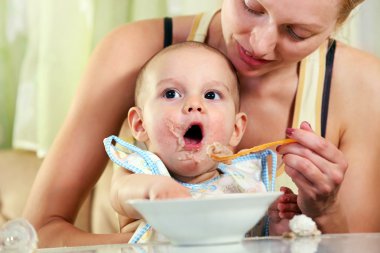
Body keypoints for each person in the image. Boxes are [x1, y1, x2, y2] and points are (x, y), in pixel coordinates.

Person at [24, 0, 380, 248]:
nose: (260, 44)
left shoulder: (364, 85)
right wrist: (154, 246)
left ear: (337, 26)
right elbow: (36, 235)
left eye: (297, 32)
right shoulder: (133, 51)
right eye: (252, 7)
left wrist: (326, 211)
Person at [103, 41, 290, 243]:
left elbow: (258, 240)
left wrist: (277, 223)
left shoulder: (243, 183)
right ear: (140, 124)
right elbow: (121, 193)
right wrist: (153, 189)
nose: (194, 104)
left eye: (211, 95)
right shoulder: (142, 171)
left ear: (236, 129)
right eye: (171, 94)